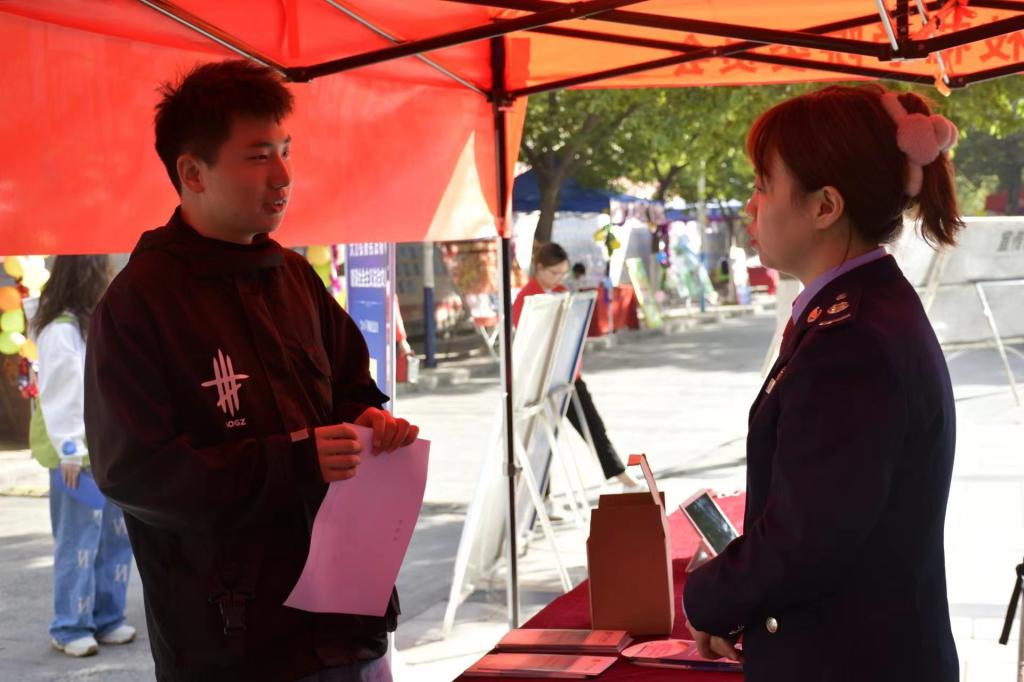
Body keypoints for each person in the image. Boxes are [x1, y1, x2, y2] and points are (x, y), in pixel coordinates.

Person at [84, 60, 418, 682]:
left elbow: (349, 387)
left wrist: (369, 422)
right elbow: (136, 473)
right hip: (233, 642)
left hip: (347, 621)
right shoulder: (139, 305)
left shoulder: (293, 277)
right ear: (192, 173)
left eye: (286, 152)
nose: (283, 177)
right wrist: (294, 461)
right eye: (259, 157)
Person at [683, 84, 962, 682]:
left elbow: (806, 539)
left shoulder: (851, 340)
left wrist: (706, 596)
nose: (752, 206)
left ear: (825, 206)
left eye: (764, 185)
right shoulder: (862, 307)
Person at [29, 256, 135, 657]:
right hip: (78, 456)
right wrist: (71, 449)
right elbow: (63, 394)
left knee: (113, 539)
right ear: (89, 277)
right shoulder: (61, 331)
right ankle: (70, 625)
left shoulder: (92, 326)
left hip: (107, 449)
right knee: (79, 542)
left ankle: (107, 617)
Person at [512, 242, 636, 488]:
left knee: (592, 426)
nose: (558, 279)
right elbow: (529, 340)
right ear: (539, 268)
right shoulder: (526, 298)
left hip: (568, 373)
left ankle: (621, 475)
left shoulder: (562, 292)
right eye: (554, 273)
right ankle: (541, 495)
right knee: (540, 438)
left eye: (562, 273)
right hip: (540, 378)